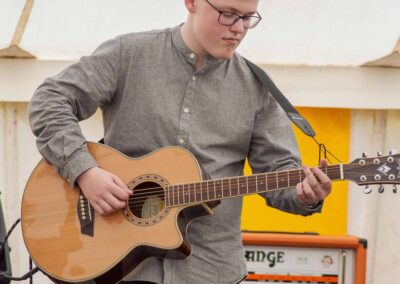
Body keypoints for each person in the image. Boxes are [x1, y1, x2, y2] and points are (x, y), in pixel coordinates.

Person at [28, 0, 332, 283]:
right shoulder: (128, 54)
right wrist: (86, 172)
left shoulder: (258, 88)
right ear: (191, 2)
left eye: (248, 18)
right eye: (228, 13)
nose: (238, 28)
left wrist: (306, 195)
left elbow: (280, 174)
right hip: (121, 270)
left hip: (211, 271)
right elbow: (49, 101)